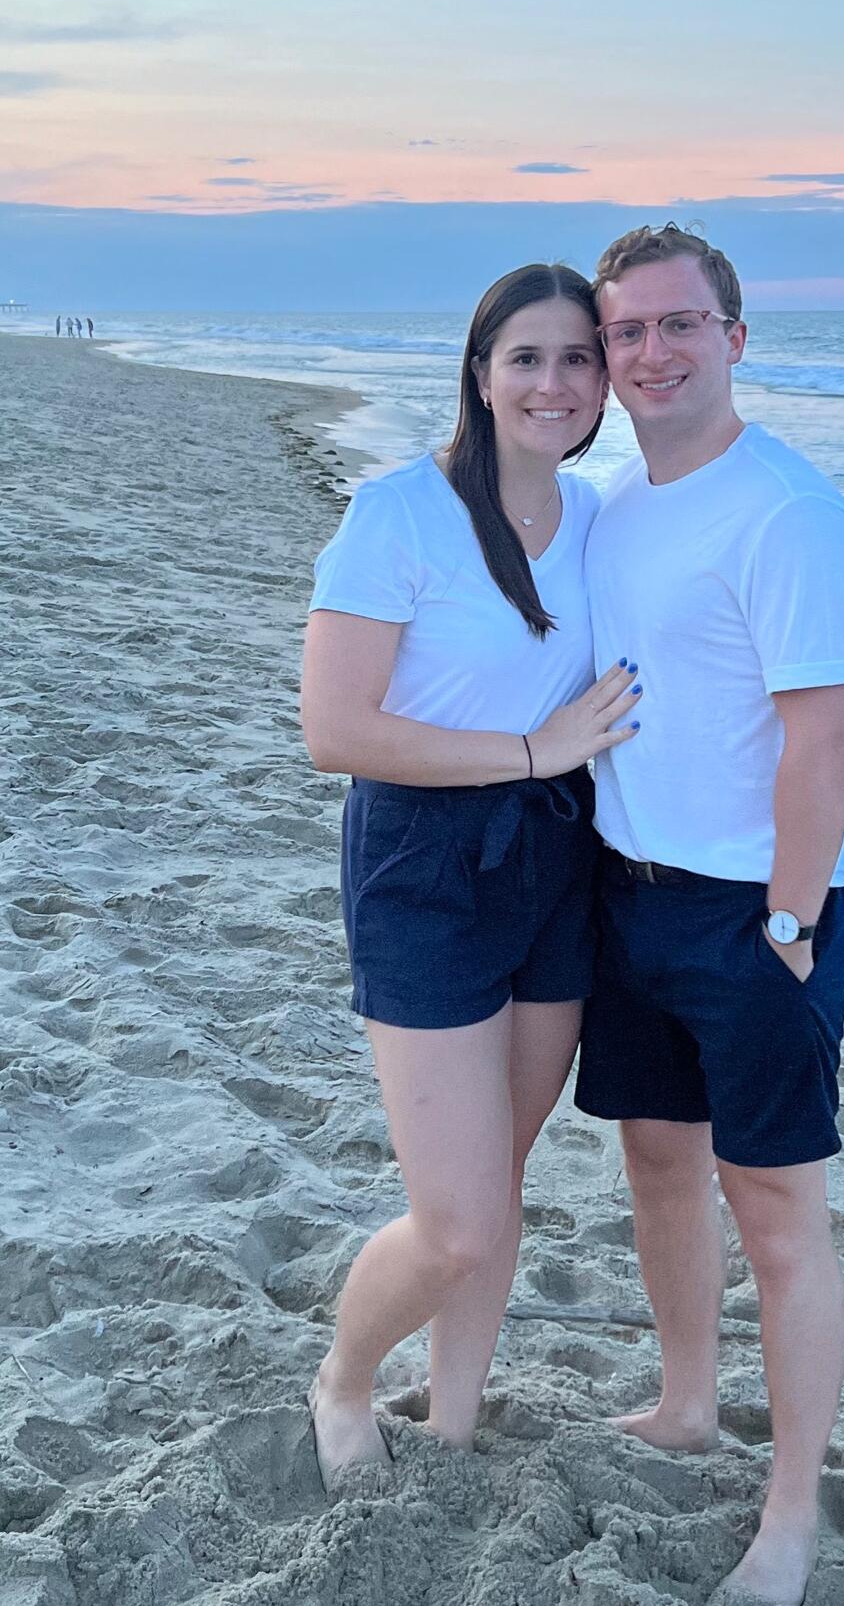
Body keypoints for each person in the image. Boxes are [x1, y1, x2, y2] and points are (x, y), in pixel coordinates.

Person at [299, 262, 642, 1485]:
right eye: (527, 359)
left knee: (497, 1180)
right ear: (481, 375)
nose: (555, 383)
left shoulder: (600, 512)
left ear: (604, 379)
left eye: (578, 359)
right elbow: (334, 728)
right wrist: (531, 747)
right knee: (454, 1222)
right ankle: (342, 1383)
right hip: (424, 859)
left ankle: (448, 1417)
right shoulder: (398, 511)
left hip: (557, 853)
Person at [575, 224, 844, 1606]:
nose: (651, 352)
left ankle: (793, 1513)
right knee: (653, 1162)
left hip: (761, 912)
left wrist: (788, 922)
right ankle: (687, 1399)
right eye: (626, 331)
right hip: (629, 892)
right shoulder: (621, 506)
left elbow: (822, 741)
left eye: (679, 324)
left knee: (776, 1212)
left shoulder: (787, 510)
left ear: (735, 337)